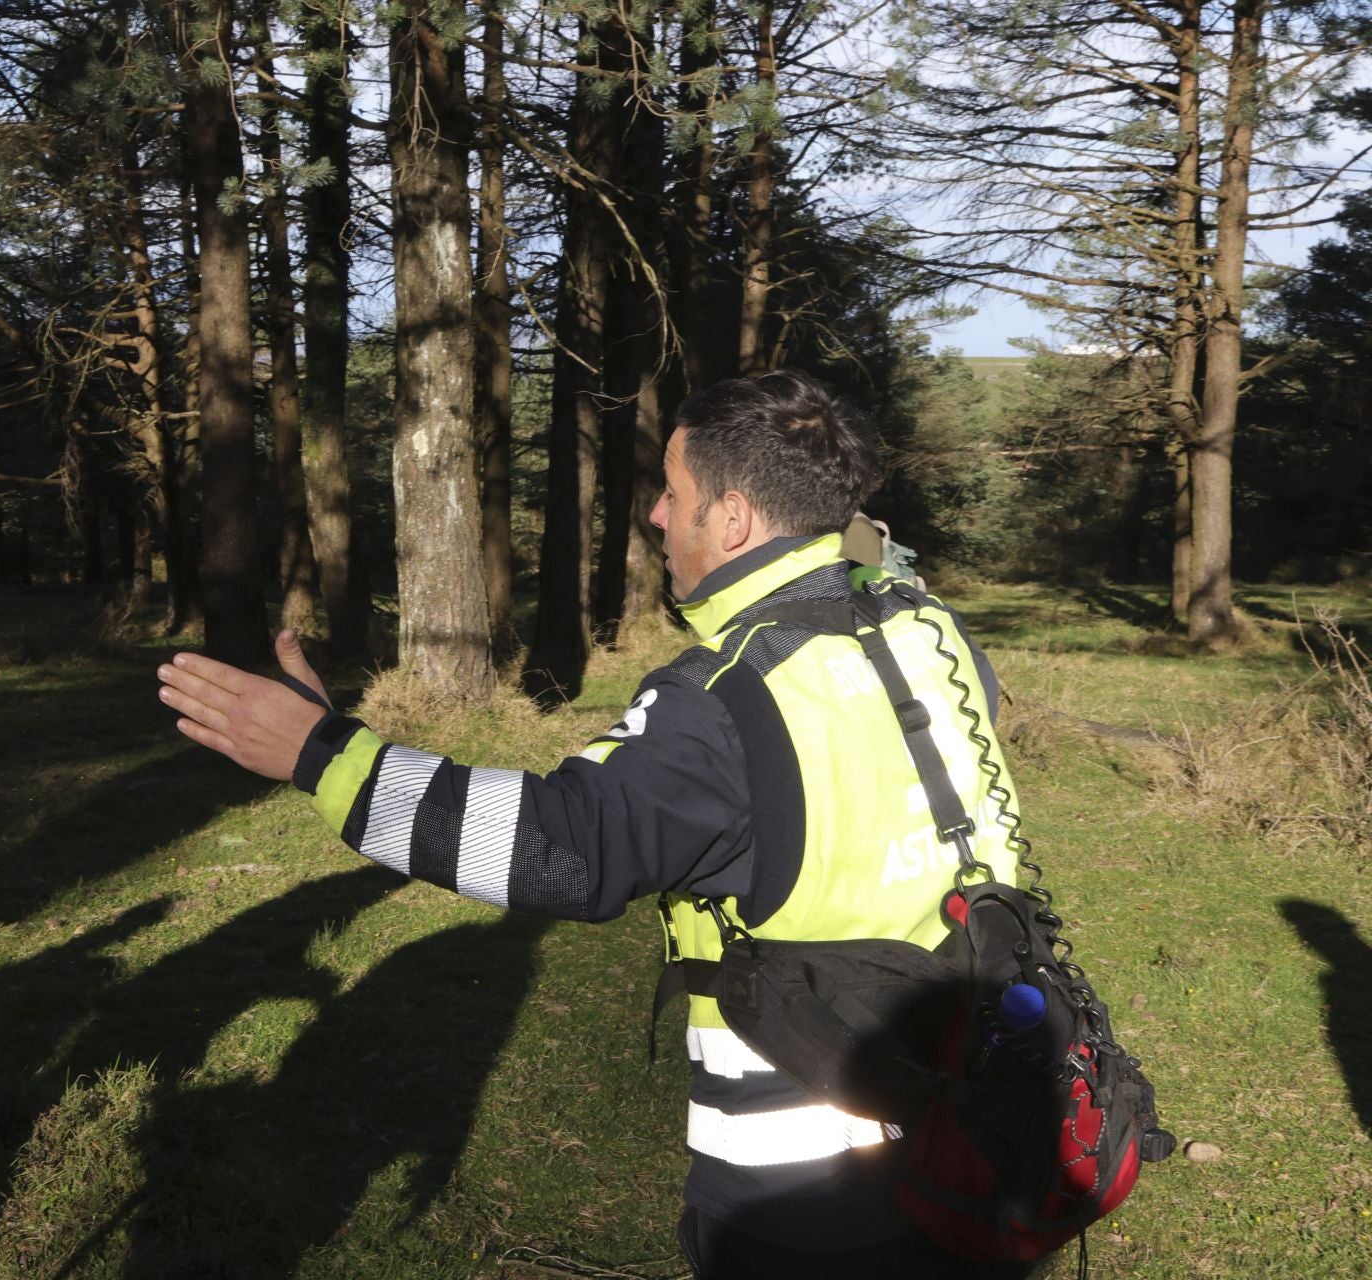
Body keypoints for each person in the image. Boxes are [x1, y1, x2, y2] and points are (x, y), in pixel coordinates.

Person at [156, 369, 1030, 1279]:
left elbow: (560, 848)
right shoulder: (928, 627)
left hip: (807, 1155)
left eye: (673, 491)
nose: (656, 515)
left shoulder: (726, 696)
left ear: (730, 519)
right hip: (974, 1092)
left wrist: (321, 752)